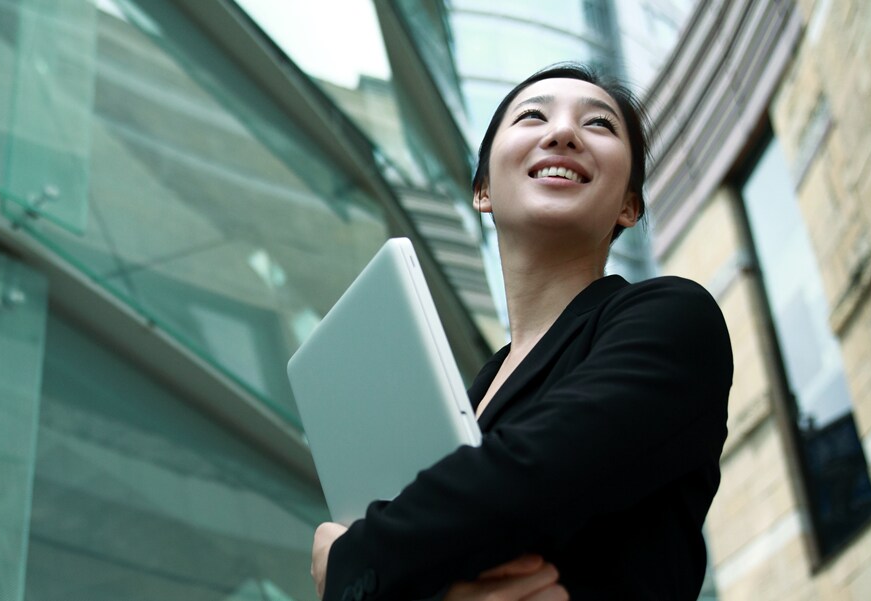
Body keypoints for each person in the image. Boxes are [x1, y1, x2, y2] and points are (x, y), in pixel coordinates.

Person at [310, 64, 732, 600]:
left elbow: (536, 475)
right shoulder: (465, 397)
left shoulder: (674, 317)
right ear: (483, 190)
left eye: (599, 125)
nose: (562, 133)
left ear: (629, 205)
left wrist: (354, 557)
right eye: (532, 116)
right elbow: (468, 511)